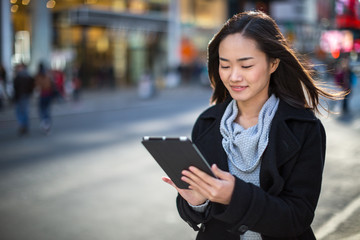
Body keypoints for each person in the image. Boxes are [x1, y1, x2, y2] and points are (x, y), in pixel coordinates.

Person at [162, 11, 343, 240]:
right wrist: (197, 202)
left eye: (246, 66)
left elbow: (297, 217)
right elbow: (199, 216)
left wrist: (235, 197)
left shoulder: (304, 128)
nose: (234, 76)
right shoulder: (206, 124)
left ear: (273, 63)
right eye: (225, 65)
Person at [13, 63, 35, 136]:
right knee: (24, 111)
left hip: (21, 96)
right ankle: (24, 125)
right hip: (24, 95)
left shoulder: (19, 76)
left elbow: (15, 86)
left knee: (21, 111)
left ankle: (23, 125)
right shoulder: (27, 76)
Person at [35, 62, 55, 134]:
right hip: (48, 94)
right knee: (47, 109)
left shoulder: (38, 76)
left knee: (42, 110)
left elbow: (37, 86)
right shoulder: (48, 75)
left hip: (42, 95)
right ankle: (47, 123)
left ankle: (44, 122)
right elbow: (52, 84)